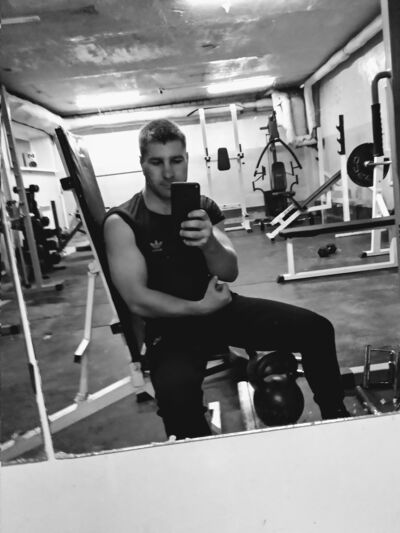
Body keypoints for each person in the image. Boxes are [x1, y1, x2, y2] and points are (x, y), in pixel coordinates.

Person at [103, 119, 349, 440]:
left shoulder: (203, 208)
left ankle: (337, 419)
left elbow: (229, 271)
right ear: (142, 164)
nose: (169, 173)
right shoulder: (123, 222)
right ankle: (200, 454)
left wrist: (209, 242)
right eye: (156, 162)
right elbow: (137, 298)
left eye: (176, 160)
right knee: (176, 393)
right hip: (170, 328)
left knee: (316, 330)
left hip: (221, 310)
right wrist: (198, 308)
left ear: (186, 160)